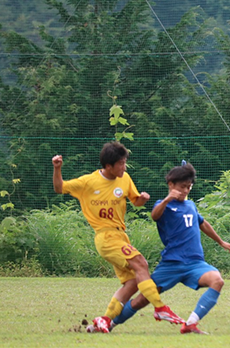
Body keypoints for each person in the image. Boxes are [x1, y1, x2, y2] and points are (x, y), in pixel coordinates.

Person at [52, 141, 184, 333]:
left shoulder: (125, 178)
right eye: (120, 164)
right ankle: (160, 308)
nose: (124, 167)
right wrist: (58, 168)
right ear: (108, 166)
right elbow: (59, 188)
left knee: (132, 282)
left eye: (124, 162)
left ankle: (103, 320)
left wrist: (142, 199)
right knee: (141, 263)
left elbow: (135, 201)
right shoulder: (88, 182)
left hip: (121, 236)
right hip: (105, 237)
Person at [109, 161, 230, 334]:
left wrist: (221, 242)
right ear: (171, 184)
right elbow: (155, 215)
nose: (185, 191)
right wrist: (168, 199)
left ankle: (190, 324)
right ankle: (109, 324)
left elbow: (202, 223)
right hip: (171, 264)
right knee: (141, 300)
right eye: (182, 187)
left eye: (189, 187)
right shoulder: (163, 204)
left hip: (194, 264)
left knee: (217, 281)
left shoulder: (190, 205)